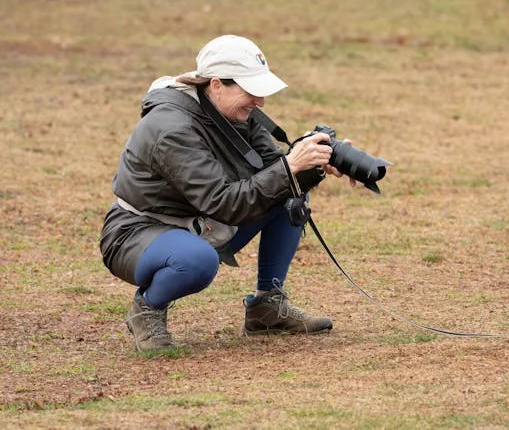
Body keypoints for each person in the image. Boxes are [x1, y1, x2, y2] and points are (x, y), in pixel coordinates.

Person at [100, 34, 354, 352]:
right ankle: (147, 307)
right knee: (197, 261)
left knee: (289, 194)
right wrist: (291, 167)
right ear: (217, 84)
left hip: (201, 220)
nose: (259, 101)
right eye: (251, 91)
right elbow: (224, 203)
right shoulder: (171, 128)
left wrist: (321, 164)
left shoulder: (231, 111)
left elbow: (275, 170)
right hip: (138, 231)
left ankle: (267, 308)